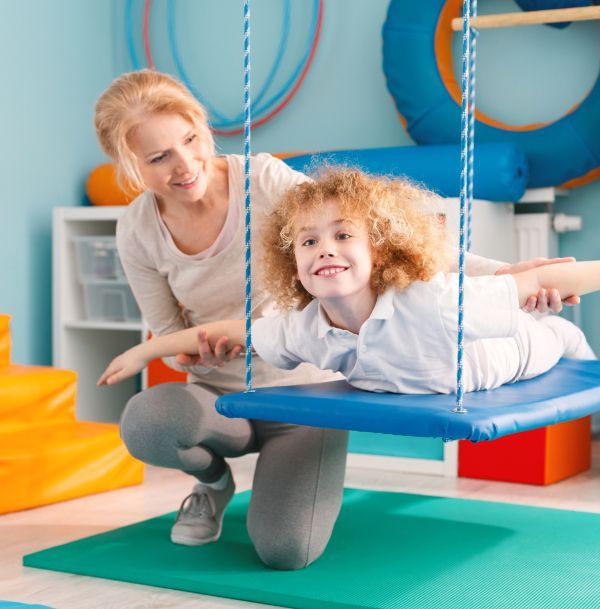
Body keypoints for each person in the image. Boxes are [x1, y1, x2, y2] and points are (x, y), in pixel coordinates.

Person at [94, 70, 577, 570]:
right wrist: (187, 350)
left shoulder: (260, 179)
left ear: (202, 127)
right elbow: (169, 335)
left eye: (191, 140)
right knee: (148, 422)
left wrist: (504, 273)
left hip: (306, 396)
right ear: (130, 165)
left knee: (285, 551)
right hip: (220, 398)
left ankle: (288, 482)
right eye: (159, 158)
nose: (186, 163)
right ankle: (214, 483)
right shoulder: (136, 230)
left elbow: (376, 237)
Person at [98, 168, 596, 397]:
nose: (325, 249)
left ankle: (569, 338)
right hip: (433, 376)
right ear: (293, 266)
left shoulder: (432, 301)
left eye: (342, 235)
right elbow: (233, 331)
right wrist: (143, 352)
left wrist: (541, 287)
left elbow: (538, 281)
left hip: (513, 354)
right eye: (308, 242)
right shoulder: (304, 327)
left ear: (378, 251)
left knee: (556, 336)